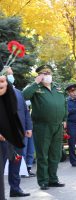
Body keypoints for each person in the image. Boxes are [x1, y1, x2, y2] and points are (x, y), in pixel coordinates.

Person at [23, 65, 67, 190]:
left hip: (57, 125)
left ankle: (53, 179)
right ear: (39, 75)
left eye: (49, 72)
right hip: (42, 126)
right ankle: (43, 181)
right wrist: (35, 83)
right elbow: (23, 96)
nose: (47, 75)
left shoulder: (57, 88)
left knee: (55, 154)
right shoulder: (35, 88)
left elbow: (64, 103)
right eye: (44, 73)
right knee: (43, 154)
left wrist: (65, 119)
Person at [1, 68, 32, 197]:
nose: (10, 77)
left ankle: (15, 189)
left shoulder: (19, 93)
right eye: (7, 75)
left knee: (16, 161)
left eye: (11, 75)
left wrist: (28, 128)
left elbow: (25, 112)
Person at [21, 100, 36, 178]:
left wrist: (30, 128)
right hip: (22, 130)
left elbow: (28, 117)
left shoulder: (28, 105)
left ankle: (28, 169)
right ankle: (22, 171)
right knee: (23, 151)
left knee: (31, 150)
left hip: (29, 129)